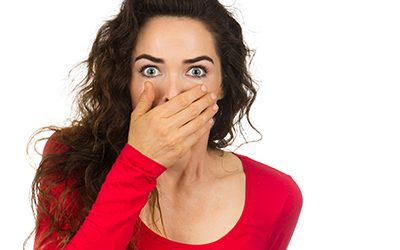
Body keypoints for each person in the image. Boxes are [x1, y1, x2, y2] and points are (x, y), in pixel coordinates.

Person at [26, 0, 302, 249]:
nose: (172, 92)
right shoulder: (71, 163)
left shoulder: (277, 196)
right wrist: (137, 164)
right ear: (126, 83)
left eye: (196, 71)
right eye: (150, 70)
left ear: (223, 85)